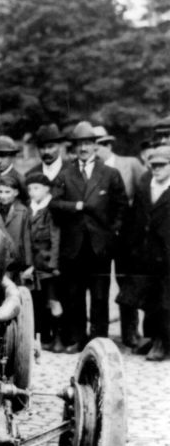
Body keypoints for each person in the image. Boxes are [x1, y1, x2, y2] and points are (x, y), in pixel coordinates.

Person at [50, 121, 129, 353]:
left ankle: (98, 341)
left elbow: (122, 207)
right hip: (73, 246)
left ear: (96, 146)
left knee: (99, 296)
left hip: (99, 247)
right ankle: (77, 338)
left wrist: (111, 233)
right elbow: (54, 204)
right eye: (79, 144)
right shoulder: (66, 173)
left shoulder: (110, 174)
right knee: (73, 295)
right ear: (74, 148)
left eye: (88, 143)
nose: (83, 148)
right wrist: (76, 205)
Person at [95, 126, 147, 347]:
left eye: (98, 145)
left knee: (127, 283)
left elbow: (142, 194)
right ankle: (100, 335)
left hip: (127, 235)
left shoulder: (130, 164)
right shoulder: (93, 170)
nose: (93, 150)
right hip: (101, 236)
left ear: (107, 145)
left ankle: (130, 333)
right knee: (100, 284)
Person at [118, 145, 170, 361]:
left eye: (161, 165)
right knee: (149, 299)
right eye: (153, 165)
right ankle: (153, 337)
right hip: (146, 252)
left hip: (167, 252)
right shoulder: (144, 185)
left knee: (166, 300)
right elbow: (134, 218)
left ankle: (162, 342)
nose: (156, 169)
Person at [23, 172, 62, 351]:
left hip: (48, 265)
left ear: (47, 189)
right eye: (30, 189)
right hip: (34, 265)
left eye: (36, 188)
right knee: (37, 302)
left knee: (54, 301)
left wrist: (54, 264)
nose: (32, 192)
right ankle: (42, 337)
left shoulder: (51, 209)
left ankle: (59, 337)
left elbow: (56, 238)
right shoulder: (27, 209)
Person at [0, 174, 32, 275]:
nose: (3, 196)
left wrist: (29, 264)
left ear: (16, 192)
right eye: (0, 192)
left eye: (7, 192)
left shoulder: (22, 211)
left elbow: (26, 238)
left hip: (15, 260)